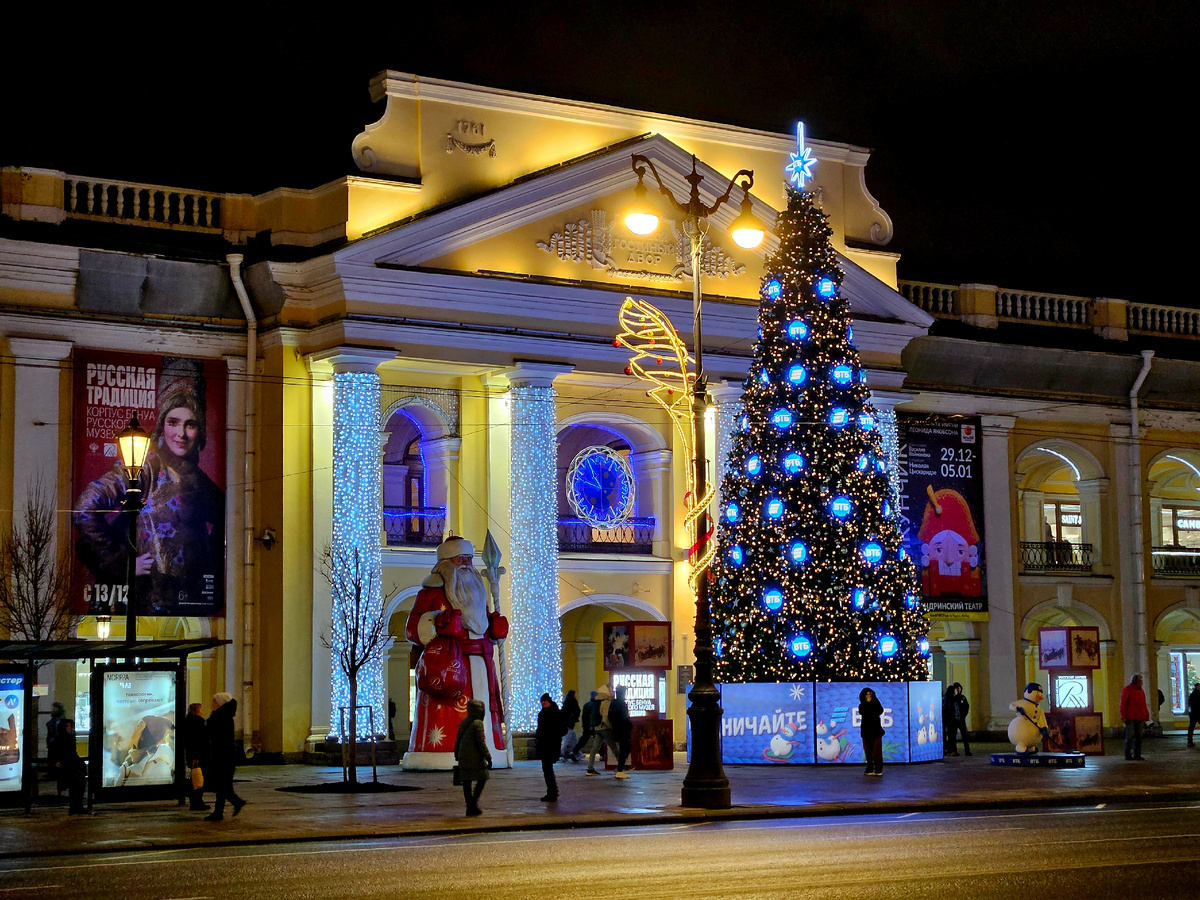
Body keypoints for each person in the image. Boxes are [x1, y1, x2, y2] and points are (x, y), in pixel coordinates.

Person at [73, 358, 226, 616]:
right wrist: (122, 563)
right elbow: (85, 508)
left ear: (200, 430)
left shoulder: (205, 486)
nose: (181, 433)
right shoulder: (145, 469)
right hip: (141, 608)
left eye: (190, 424)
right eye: (173, 421)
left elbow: (228, 530)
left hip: (188, 614)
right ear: (162, 425)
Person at [404, 536, 509, 769]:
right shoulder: (430, 594)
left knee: (485, 709)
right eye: (461, 559)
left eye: (469, 558)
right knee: (450, 713)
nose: (467, 564)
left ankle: (492, 749)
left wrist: (494, 629)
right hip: (450, 665)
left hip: (482, 664)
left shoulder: (478, 593)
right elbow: (411, 629)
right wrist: (437, 623)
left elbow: (482, 626)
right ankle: (441, 751)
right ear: (445, 564)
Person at [205, 692, 245, 821]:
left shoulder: (221, 717)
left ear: (220, 703)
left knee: (221, 785)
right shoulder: (223, 716)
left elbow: (213, 734)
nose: (212, 704)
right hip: (224, 755)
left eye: (214, 701)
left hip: (223, 756)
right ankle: (223, 809)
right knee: (223, 785)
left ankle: (228, 807)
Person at [454, 699, 490, 816]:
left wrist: (457, 754)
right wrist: (488, 757)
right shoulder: (477, 723)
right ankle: (473, 804)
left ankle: (470, 806)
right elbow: (481, 743)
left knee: (467, 781)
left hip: (463, 756)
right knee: (483, 777)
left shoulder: (463, 722)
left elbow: (458, 740)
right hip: (475, 758)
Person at [535, 693, 564, 801]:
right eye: (542, 701)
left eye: (545, 701)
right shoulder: (542, 714)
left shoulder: (555, 713)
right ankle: (552, 791)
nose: (543, 703)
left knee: (548, 769)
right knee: (547, 770)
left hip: (551, 745)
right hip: (544, 745)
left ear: (549, 701)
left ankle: (552, 792)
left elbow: (561, 729)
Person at [182, 702, 210, 811]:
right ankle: (197, 802)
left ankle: (195, 801)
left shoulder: (187, 722)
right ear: (197, 711)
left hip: (192, 754)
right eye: (201, 710)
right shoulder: (198, 722)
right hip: (198, 755)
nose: (202, 712)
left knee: (194, 777)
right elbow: (199, 740)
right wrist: (196, 756)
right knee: (198, 778)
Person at [1120, 674, 1150, 761]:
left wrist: (1146, 715)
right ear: (1136, 681)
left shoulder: (1141, 691)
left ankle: (1137, 754)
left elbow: (1143, 703)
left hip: (1140, 716)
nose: (1142, 682)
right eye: (1140, 680)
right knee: (1130, 736)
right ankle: (1128, 754)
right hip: (1130, 716)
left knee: (1139, 737)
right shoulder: (1127, 690)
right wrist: (1123, 716)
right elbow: (1123, 704)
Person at [585, 686, 613, 776]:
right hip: (604, 728)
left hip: (597, 728)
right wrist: (610, 727)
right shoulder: (605, 702)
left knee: (594, 749)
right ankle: (622, 767)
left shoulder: (596, 702)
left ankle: (590, 768)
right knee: (613, 747)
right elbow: (605, 716)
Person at [859, 687, 885, 776]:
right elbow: (863, 712)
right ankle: (869, 768)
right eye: (867, 694)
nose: (869, 696)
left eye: (870, 694)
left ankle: (878, 769)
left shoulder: (876, 703)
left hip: (876, 731)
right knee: (868, 751)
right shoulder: (862, 705)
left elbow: (880, 711)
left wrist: (873, 702)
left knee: (877, 752)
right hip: (866, 731)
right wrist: (868, 703)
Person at [609, 686, 633, 779]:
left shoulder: (613, 703)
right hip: (624, 730)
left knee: (624, 749)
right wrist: (629, 725)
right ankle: (620, 770)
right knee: (625, 749)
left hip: (616, 729)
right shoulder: (622, 704)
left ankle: (620, 769)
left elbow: (610, 717)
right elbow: (625, 717)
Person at [46, 701, 69, 795]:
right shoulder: (51, 723)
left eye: (55, 708)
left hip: (61, 749)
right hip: (54, 749)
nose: (53, 710)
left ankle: (61, 788)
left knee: (61, 771)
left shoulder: (65, 723)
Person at [944, 683, 971, 756]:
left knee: (964, 735)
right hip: (953, 720)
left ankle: (966, 750)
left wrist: (963, 715)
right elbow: (947, 709)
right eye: (956, 689)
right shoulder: (950, 699)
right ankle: (953, 751)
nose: (958, 690)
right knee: (952, 736)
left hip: (960, 719)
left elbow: (966, 707)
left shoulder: (961, 698)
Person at [560, 689, 581, 762]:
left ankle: (577, 753)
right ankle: (562, 755)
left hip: (565, 724)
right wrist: (574, 719)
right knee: (566, 740)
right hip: (569, 725)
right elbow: (577, 711)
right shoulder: (573, 702)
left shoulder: (565, 703)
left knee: (573, 740)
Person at [579, 690, 599, 761]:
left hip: (586, 725)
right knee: (598, 740)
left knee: (584, 739)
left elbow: (584, 716)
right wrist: (591, 725)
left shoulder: (587, 704)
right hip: (592, 726)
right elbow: (592, 716)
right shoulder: (594, 705)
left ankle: (575, 751)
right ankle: (603, 754)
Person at [1189, 683, 1200, 748]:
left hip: (1193, 713)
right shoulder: (1196, 694)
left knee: (1191, 727)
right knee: (1191, 727)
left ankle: (1189, 741)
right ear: (1196, 687)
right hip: (1197, 713)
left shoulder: (1193, 694)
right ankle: (1190, 741)